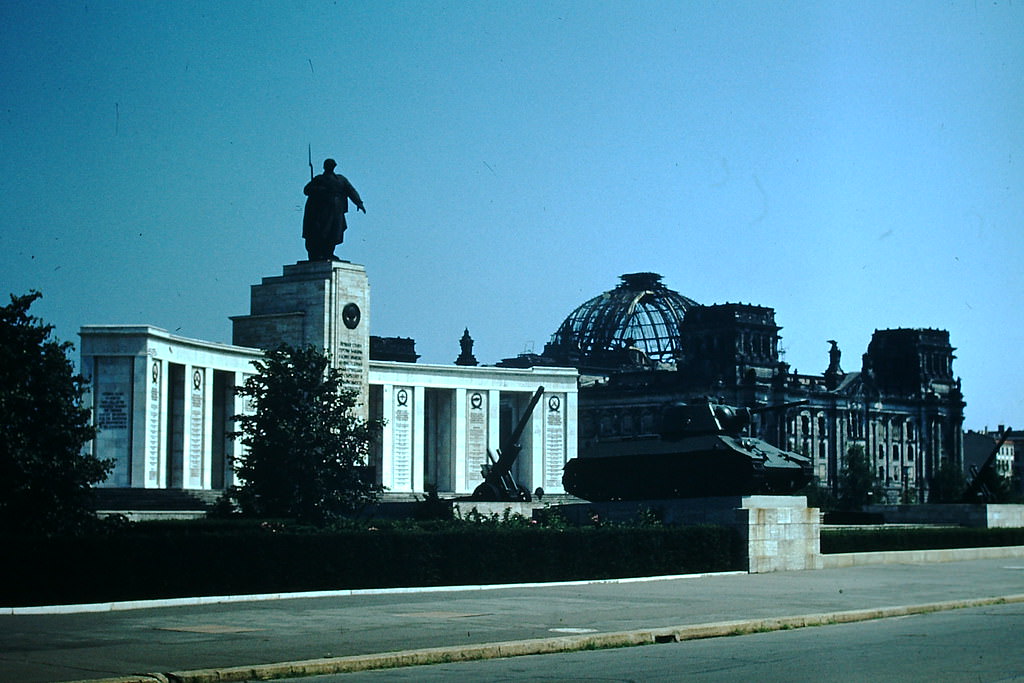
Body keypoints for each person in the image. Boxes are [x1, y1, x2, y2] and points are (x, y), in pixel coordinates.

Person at [302, 158, 365, 261]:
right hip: (322, 212)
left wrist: (359, 202)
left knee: (335, 232)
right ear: (325, 166)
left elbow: (351, 191)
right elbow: (307, 190)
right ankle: (318, 254)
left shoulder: (341, 179)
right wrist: (320, 189)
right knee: (321, 232)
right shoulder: (319, 179)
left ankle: (329, 253)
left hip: (337, 211)